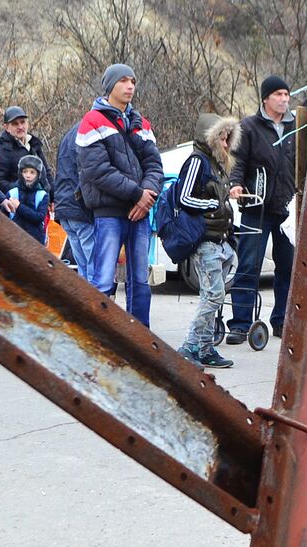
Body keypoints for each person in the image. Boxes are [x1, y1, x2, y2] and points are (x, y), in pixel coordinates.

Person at [76, 63, 163, 327]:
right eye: (123, 81)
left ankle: (140, 338)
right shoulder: (92, 121)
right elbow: (97, 170)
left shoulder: (141, 123)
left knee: (139, 280)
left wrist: (148, 195)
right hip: (110, 212)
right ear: (110, 85)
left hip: (140, 211)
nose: (129, 86)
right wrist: (137, 194)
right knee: (103, 279)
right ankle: (100, 336)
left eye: (132, 81)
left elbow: (154, 165)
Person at [227, 75, 296, 343]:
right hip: (256, 207)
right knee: (248, 265)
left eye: (286, 94)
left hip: (287, 209)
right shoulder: (249, 127)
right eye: (278, 94)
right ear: (265, 98)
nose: (283, 99)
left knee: (288, 267)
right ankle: (240, 323)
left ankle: (281, 320)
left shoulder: (297, 126)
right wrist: (235, 185)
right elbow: (237, 162)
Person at [175, 113, 243, 369]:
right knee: (213, 295)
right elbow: (184, 197)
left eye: (228, 138)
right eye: (221, 138)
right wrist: (213, 205)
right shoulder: (197, 161)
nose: (225, 144)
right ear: (209, 138)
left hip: (219, 239)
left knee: (212, 294)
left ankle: (204, 349)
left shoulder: (217, 164)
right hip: (204, 240)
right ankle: (189, 346)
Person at [54, 118, 96, 283]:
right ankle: (94, 306)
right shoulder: (89, 133)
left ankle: (86, 304)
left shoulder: (69, 134)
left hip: (64, 206)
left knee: (83, 268)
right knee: (94, 269)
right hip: (80, 208)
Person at [0, 106, 53, 197]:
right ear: (6, 127)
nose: (20, 127)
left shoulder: (34, 144)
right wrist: (23, 190)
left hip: (41, 203)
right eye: (15, 124)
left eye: (23, 122)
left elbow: (47, 173)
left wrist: (53, 197)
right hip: (17, 206)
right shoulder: (1, 150)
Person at [8, 155, 50, 244]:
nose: (28, 175)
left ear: (38, 175)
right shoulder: (12, 193)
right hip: (14, 239)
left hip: (36, 240)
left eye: (32, 172)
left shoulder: (42, 195)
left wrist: (19, 207)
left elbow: (39, 218)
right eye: (25, 172)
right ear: (20, 173)